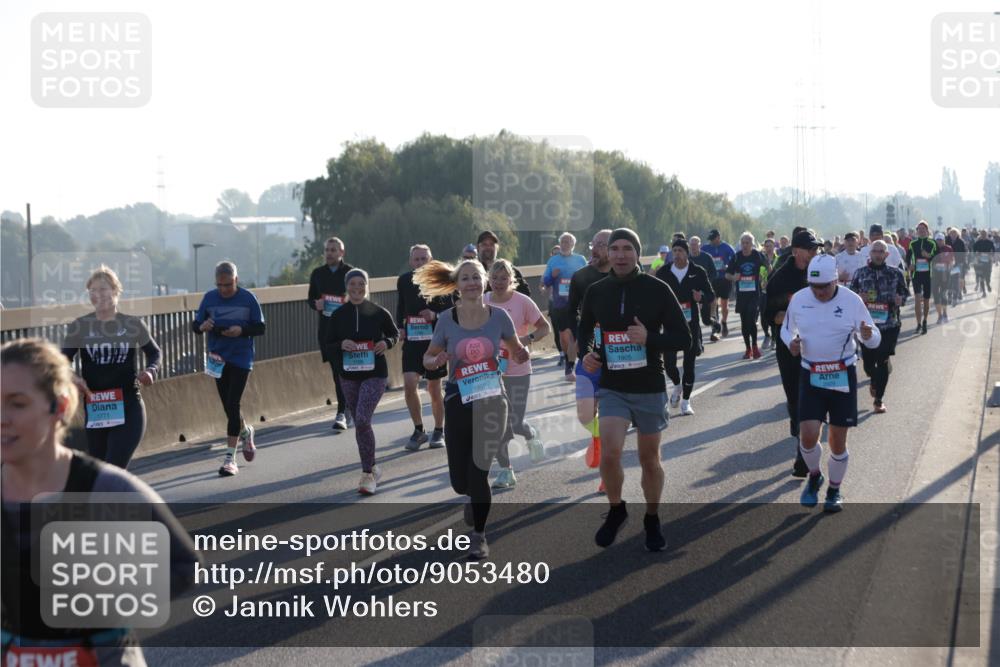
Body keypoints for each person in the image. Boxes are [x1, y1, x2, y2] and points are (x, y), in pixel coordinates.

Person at [1, 338, 200, 666]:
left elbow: (182, 565)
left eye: (17, 403)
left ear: (60, 406)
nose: (2, 417)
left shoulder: (104, 487)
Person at [578, 228, 691, 551]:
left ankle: (652, 518)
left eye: (628, 248)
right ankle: (616, 510)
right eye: (615, 249)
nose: (621, 255)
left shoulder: (657, 289)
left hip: (649, 386)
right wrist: (587, 353)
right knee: (611, 453)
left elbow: (684, 339)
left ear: (637, 253)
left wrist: (649, 339)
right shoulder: (597, 291)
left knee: (649, 459)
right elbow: (585, 327)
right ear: (608, 253)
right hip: (613, 387)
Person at [416, 258, 529, 560]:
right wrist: (435, 362)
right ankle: (471, 496)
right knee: (459, 481)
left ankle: (478, 536)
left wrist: (521, 353)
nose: (471, 283)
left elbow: (516, 348)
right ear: (456, 284)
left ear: (485, 282)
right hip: (458, 399)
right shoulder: (446, 320)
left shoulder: (500, 316)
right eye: (464, 278)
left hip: (493, 398)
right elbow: (428, 357)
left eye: (476, 277)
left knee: (478, 473)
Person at [781, 254, 881, 513]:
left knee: (837, 440)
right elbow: (786, 329)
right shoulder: (801, 299)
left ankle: (835, 490)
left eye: (824, 286)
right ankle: (815, 475)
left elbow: (874, 338)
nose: (819, 292)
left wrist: (869, 336)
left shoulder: (851, 301)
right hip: (811, 373)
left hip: (842, 375)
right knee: (808, 436)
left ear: (835, 280)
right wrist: (790, 343)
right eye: (814, 287)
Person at [60, 266, 160, 470]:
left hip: (129, 406)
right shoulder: (80, 326)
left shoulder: (132, 324)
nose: (99, 295)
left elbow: (154, 353)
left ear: (116, 291)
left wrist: (151, 370)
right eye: (93, 290)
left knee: (114, 467)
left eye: (104, 289)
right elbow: (62, 362)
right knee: (100, 473)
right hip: (96, 409)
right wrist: (73, 378)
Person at [325, 268, 399, 495]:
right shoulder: (337, 315)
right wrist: (340, 344)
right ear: (346, 287)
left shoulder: (379, 312)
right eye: (352, 285)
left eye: (361, 285)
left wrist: (386, 343)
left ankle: (367, 473)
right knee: (360, 422)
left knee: (363, 418)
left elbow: (394, 335)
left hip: (375, 373)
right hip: (348, 375)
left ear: (367, 287)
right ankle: (373, 466)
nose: (357, 289)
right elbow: (328, 343)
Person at [192, 261, 266, 477]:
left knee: (234, 403)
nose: (223, 290)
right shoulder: (209, 298)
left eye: (227, 285)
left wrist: (240, 330)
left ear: (236, 280)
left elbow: (260, 327)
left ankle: (229, 459)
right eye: (219, 285)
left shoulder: (248, 298)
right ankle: (246, 431)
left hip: (241, 357)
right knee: (228, 407)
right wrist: (202, 327)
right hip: (218, 357)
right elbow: (196, 325)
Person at [485, 260, 551, 486]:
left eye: (504, 278)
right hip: (490, 371)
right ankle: (506, 470)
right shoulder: (482, 302)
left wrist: (527, 339)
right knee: (495, 423)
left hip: (518, 370)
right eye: (495, 279)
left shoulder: (522, 302)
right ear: (489, 280)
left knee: (514, 422)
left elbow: (545, 327)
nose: (499, 283)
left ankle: (530, 433)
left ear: (511, 279)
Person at [764, 230, 823, 476]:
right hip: (790, 350)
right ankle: (799, 429)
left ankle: (803, 454)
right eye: (810, 249)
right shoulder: (780, 278)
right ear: (797, 251)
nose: (815, 253)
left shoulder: (821, 272)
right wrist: (791, 319)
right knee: (796, 400)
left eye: (817, 249)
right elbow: (769, 316)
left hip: (820, 347)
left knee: (812, 401)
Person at [568, 229, 613, 493]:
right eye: (593, 244)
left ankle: (607, 476)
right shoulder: (581, 277)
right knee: (585, 415)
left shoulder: (625, 274)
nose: (595, 249)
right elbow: (571, 310)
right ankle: (597, 436)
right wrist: (578, 335)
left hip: (615, 357)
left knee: (608, 418)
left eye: (602, 245)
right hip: (588, 354)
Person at [396, 245, 450, 451]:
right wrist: (400, 327)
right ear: (411, 262)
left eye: (423, 259)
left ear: (431, 259)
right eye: (416, 259)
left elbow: (452, 307)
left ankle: (439, 429)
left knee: (434, 388)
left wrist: (434, 315)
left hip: (435, 341)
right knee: (409, 383)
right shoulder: (403, 281)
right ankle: (419, 430)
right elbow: (400, 306)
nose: (420, 263)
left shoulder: (442, 279)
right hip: (412, 340)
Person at [655, 239, 714, 415]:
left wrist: (700, 297)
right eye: (675, 250)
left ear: (687, 253)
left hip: (691, 324)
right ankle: (677, 384)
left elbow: (710, 294)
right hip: (670, 323)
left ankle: (686, 401)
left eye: (681, 250)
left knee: (689, 364)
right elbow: (655, 296)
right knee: (669, 364)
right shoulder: (664, 272)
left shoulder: (698, 271)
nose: (677, 254)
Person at [849, 241, 909, 414]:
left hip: (890, 324)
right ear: (869, 253)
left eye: (881, 251)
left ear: (886, 254)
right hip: (867, 326)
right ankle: (874, 380)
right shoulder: (860, 273)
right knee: (868, 364)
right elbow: (851, 296)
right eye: (874, 251)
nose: (877, 254)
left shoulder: (896, 273)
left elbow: (905, 293)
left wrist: (901, 300)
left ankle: (878, 400)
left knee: (882, 360)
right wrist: (859, 296)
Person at [307, 236, 355, 430]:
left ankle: (346, 408)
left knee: (348, 371)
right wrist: (315, 304)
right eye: (327, 250)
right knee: (337, 372)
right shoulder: (317, 274)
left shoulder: (350, 272)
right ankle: (343, 411)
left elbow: (361, 297)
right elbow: (310, 299)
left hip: (349, 329)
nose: (329, 253)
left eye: (334, 250)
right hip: (327, 330)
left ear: (341, 253)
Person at [542, 232, 588, 383]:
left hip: (578, 304)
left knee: (575, 335)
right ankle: (567, 357)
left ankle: (571, 366)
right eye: (563, 241)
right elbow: (545, 282)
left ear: (573, 244)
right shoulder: (553, 261)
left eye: (568, 242)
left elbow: (589, 277)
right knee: (564, 336)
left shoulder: (580, 259)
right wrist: (553, 276)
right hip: (559, 305)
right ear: (560, 243)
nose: (565, 244)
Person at [725, 232, 768, 360]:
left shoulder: (757, 255)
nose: (744, 245)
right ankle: (748, 348)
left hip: (755, 294)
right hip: (742, 295)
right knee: (744, 323)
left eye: (747, 243)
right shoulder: (737, 257)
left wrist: (763, 275)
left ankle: (755, 347)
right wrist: (734, 277)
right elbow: (727, 274)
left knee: (751, 318)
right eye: (743, 243)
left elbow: (768, 267)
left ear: (752, 244)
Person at [906, 220, 938, 335]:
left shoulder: (932, 243)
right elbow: (908, 257)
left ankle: (925, 321)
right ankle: (918, 323)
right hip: (916, 275)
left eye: (923, 230)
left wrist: (928, 256)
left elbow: (937, 258)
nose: (921, 231)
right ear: (917, 231)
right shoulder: (913, 243)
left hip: (928, 275)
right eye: (919, 230)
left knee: (926, 300)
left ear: (927, 231)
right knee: (917, 299)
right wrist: (910, 265)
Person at [477, 231, 531, 297]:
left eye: (491, 244)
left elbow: (525, 293)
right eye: (484, 244)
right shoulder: (473, 270)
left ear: (497, 248)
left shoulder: (510, 270)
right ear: (478, 247)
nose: (488, 247)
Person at [704, 230, 736, 338]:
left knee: (724, 305)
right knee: (713, 303)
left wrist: (727, 267)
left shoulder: (727, 247)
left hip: (724, 279)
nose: (711, 241)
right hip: (712, 280)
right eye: (710, 239)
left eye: (713, 239)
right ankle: (715, 328)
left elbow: (735, 261)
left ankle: (724, 322)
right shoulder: (705, 248)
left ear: (718, 237)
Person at [688, 236, 719, 341]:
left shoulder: (707, 257)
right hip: (692, 291)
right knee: (694, 317)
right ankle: (697, 340)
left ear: (699, 245)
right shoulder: (687, 259)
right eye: (691, 244)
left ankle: (714, 330)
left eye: (695, 244)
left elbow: (714, 273)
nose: (693, 247)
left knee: (708, 317)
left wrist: (706, 284)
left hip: (706, 290)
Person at [930, 232, 955, 323]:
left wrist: (949, 269)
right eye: (937, 240)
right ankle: (939, 316)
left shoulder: (948, 248)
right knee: (936, 296)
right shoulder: (932, 249)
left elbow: (952, 260)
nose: (939, 242)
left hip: (945, 274)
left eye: (941, 240)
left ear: (944, 240)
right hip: (935, 275)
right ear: (935, 240)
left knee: (944, 294)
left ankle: (945, 313)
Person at [759, 238, 778, 349]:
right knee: (763, 315)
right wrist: (761, 281)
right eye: (766, 246)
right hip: (764, 291)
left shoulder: (778, 259)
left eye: (770, 246)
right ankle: (767, 335)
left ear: (774, 247)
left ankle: (774, 338)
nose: (768, 248)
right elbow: (760, 274)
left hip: (775, 291)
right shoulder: (761, 259)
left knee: (774, 315)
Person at [973, 229, 995, 296]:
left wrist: (991, 255)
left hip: (988, 261)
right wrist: (976, 255)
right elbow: (973, 250)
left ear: (986, 235)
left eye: (984, 234)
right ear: (980, 235)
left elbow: (993, 250)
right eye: (982, 234)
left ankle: (988, 284)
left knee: (988, 276)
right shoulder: (977, 242)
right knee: (981, 276)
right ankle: (984, 292)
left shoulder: (990, 242)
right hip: (980, 261)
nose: (983, 235)